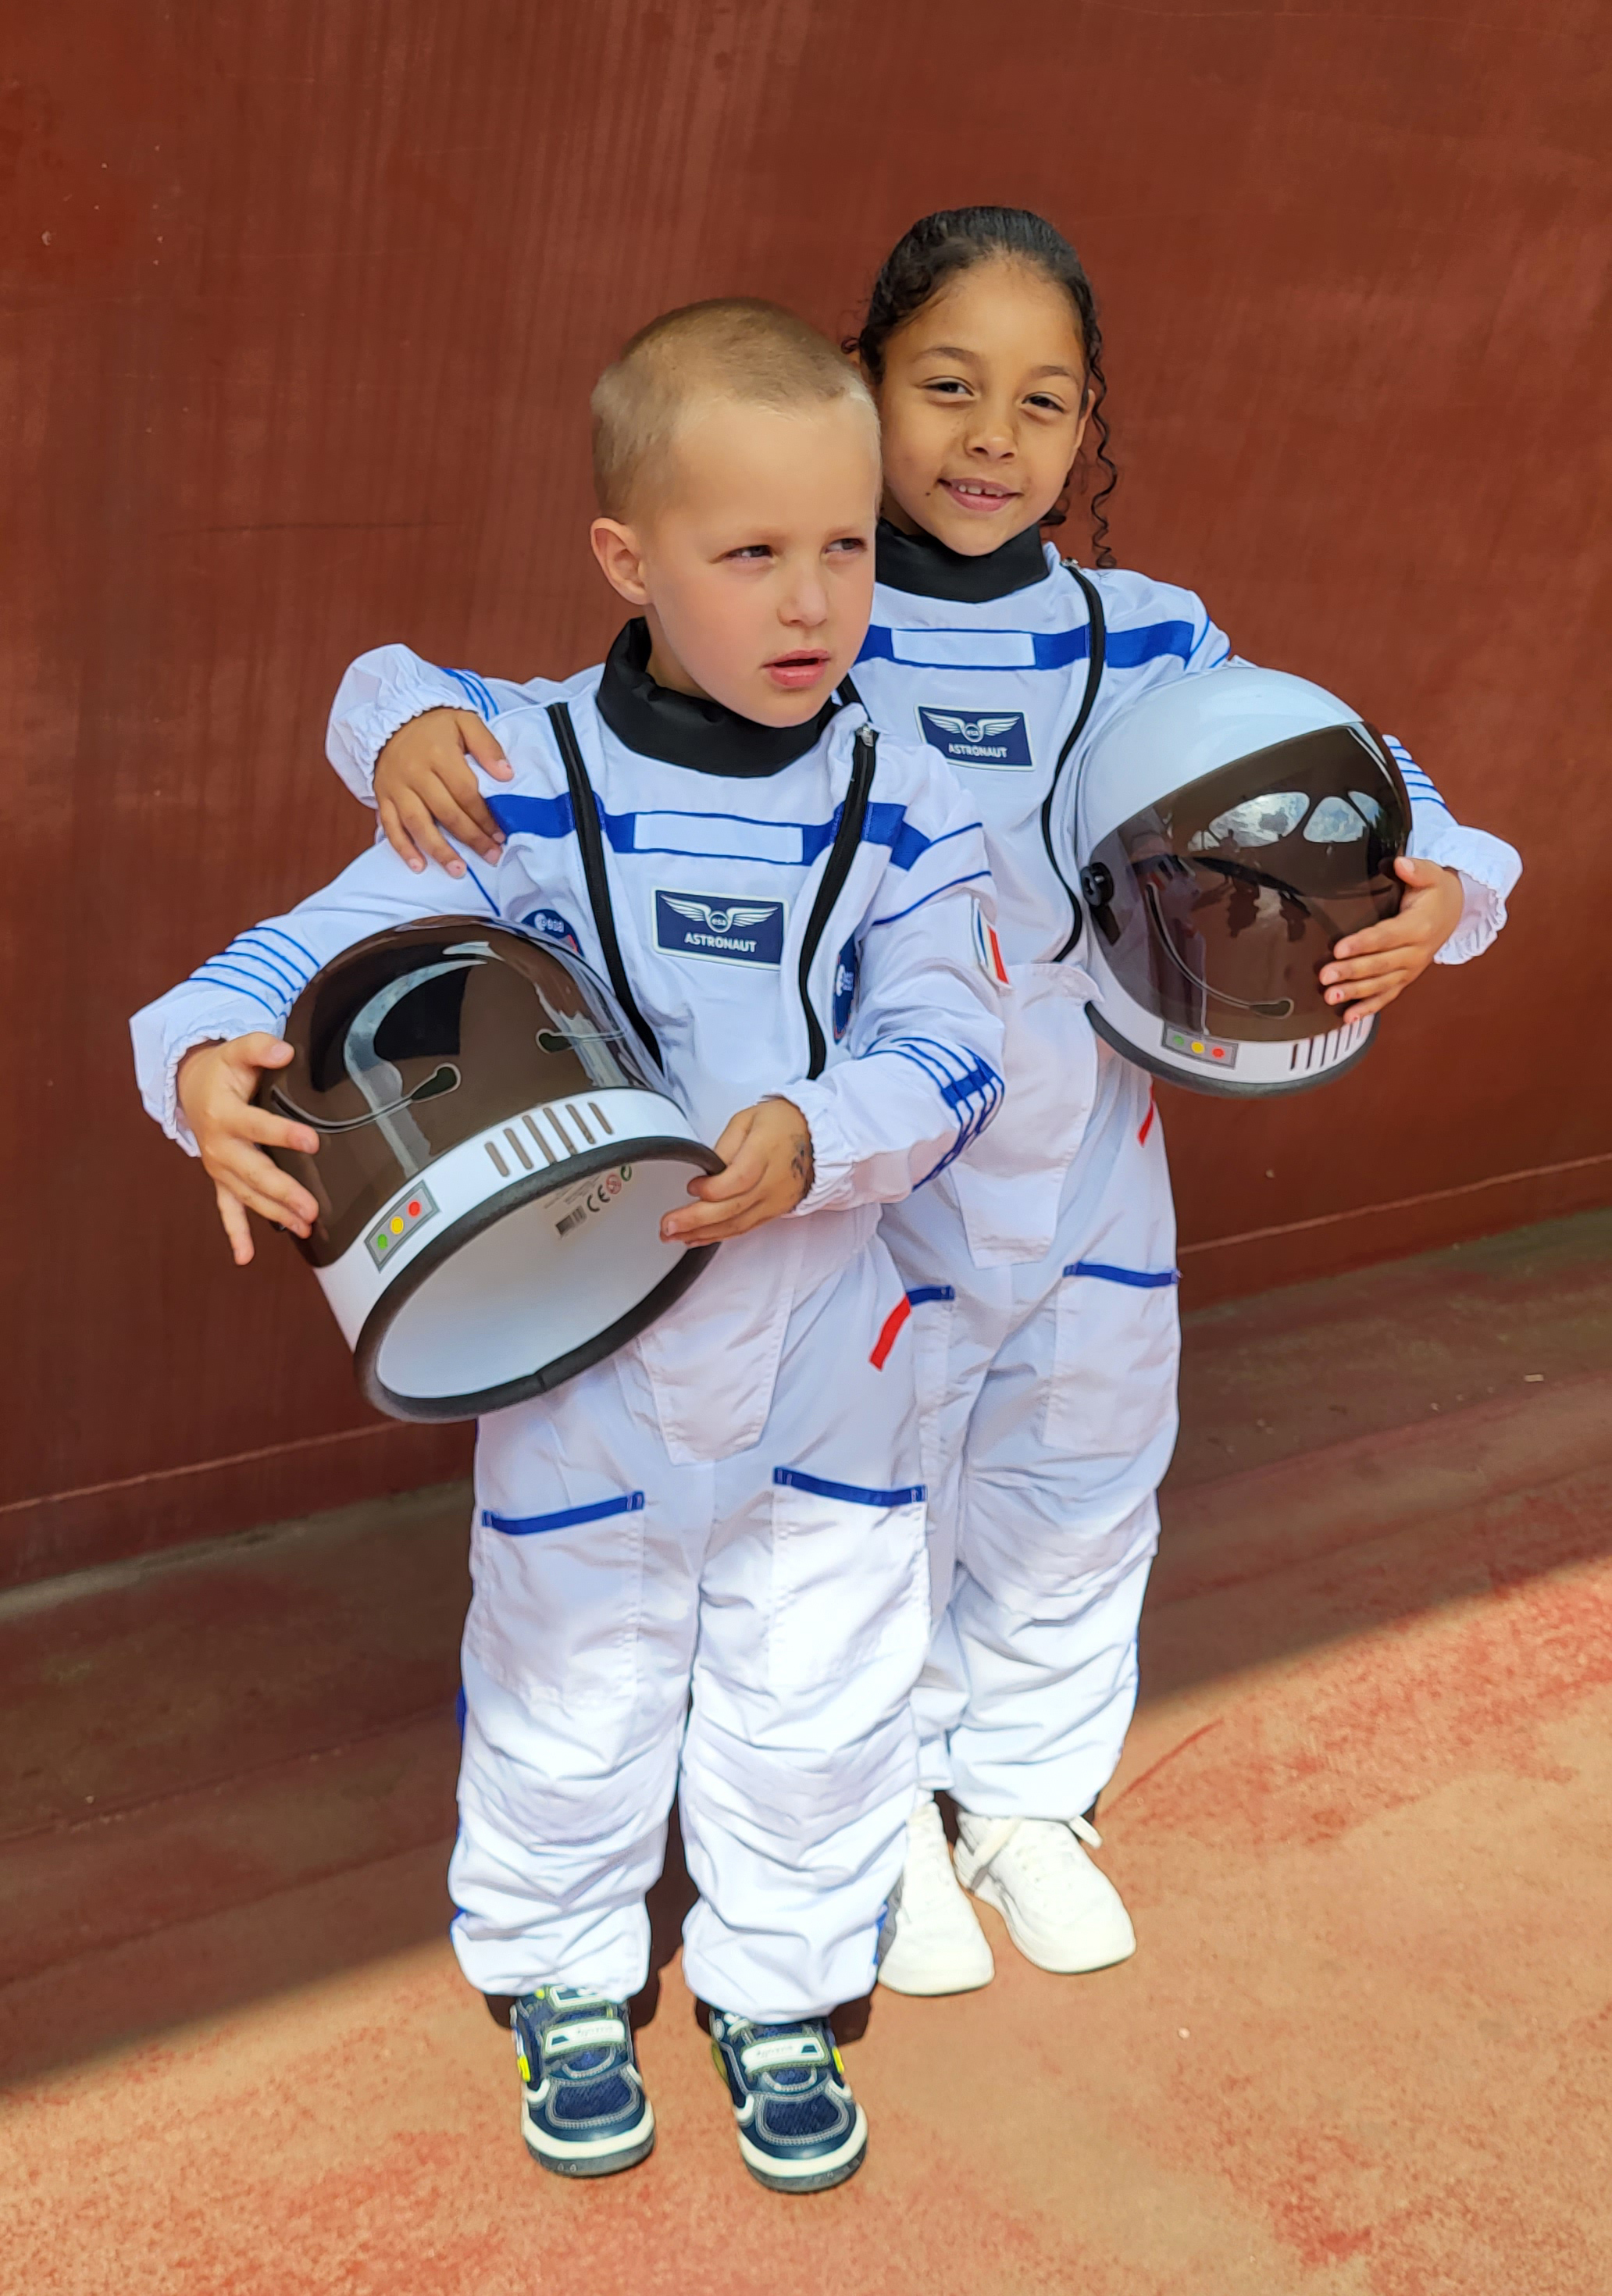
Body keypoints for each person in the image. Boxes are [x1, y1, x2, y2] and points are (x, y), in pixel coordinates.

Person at [311, 209, 1522, 1998]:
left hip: (1094, 1142)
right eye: (945, 387)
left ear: (1088, 425)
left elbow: (1359, 765)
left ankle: (1024, 1796)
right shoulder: (799, 607)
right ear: (864, 388)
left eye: (1043, 402)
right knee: (879, 1515)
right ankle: (870, 1823)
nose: (989, 438)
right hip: (871, 1155)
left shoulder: (1150, 630)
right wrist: (390, 712)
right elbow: (509, 714)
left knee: (1081, 1468)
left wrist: (1454, 881)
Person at [130, 299, 1008, 2191]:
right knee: (567, 1673)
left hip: (827, 1332)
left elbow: (953, 1041)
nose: (811, 602)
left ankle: (779, 1986)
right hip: (582, 1340)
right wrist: (199, 1057)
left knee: (820, 1688)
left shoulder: (911, 805)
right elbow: (304, 953)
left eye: (846, 546)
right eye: (750, 551)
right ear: (628, 557)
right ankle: (559, 1972)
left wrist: (826, 1131)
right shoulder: (507, 768)